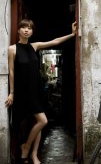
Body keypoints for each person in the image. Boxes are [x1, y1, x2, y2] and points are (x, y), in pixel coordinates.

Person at [5, 19, 77, 164]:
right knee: (33, 122)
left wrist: (73, 34)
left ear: (32, 31)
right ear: (18, 30)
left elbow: (55, 42)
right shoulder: (12, 49)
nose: (26, 30)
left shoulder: (35, 46)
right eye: (23, 27)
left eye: (29, 28)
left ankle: (32, 153)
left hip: (35, 91)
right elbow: (11, 72)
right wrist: (12, 93)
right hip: (21, 92)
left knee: (41, 121)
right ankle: (27, 149)